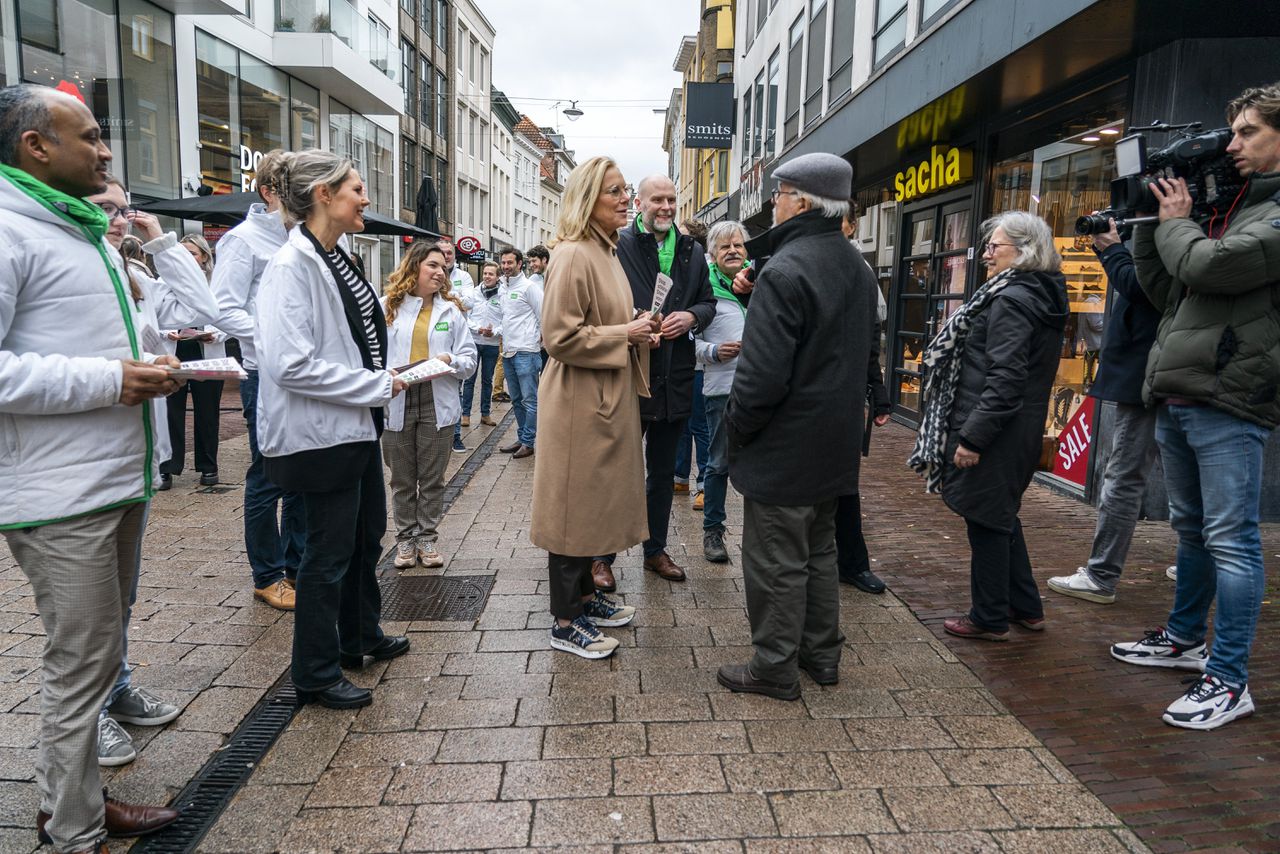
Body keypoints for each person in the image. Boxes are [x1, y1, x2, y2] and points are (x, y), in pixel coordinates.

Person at [0, 82, 180, 854]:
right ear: (36, 146)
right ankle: (68, 830)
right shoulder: (10, 231)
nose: (106, 150)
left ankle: (73, 801)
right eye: (91, 136)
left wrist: (147, 364)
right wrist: (111, 379)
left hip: (114, 479)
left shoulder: (76, 230)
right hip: (60, 494)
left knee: (100, 658)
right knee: (79, 666)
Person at [1111, 83, 1280, 730]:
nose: (1232, 143)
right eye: (1232, 131)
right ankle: (1185, 641)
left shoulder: (1269, 216)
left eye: (1247, 132)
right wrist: (1152, 221)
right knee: (1192, 530)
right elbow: (1165, 288)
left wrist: (1178, 220)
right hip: (1185, 387)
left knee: (1232, 541)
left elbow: (1209, 268)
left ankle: (1230, 679)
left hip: (1231, 394)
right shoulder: (1234, 205)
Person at [255, 149, 410, 709]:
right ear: (325, 195)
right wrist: (373, 386)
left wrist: (381, 377)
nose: (365, 199)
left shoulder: (336, 256)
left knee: (366, 537)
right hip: (320, 435)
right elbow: (288, 363)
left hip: (354, 426)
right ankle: (316, 673)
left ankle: (360, 636)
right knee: (326, 555)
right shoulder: (290, 267)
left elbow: (354, 339)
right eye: (356, 189)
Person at [716, 153, 874, 701]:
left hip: (785, 444)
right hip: (833, 443)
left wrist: (738, 427)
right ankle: (821, 654)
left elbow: (761, 378)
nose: (773, 204)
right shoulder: (853, 263)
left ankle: (774, 666)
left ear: (801, 201)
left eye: (779, 194)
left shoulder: (785, 268)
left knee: (777, 560)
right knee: (820, 550)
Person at [87, 175, 218, 767]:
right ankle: (88, 719)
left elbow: (201, 308)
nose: (118, 219)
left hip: (132, 455)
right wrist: (120, 374)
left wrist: (161, 241)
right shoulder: (57, 262)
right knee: (84, 608)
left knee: (122, 594)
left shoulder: (131, 273)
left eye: (123, 209)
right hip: (79, 458)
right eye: (104, 208)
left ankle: (116, 689)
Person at [909, 211, 1068, 643]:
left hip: (997, 431)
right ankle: (1025, 607)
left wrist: (973, 438)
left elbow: (1005, 378)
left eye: (994, 247)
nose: (985, 257)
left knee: (987, 523)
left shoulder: (1014, 299)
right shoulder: (1037, 292)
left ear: (1024, 250)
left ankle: (989, 616)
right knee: (1000, 517)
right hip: (1016, 428)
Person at [530, 156, 654, 658]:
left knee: (592, 505)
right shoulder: (574, 254)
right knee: (570, 509)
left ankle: (584, 598)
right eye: (615, 192)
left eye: (626, 190)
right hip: (579, 400)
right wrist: (626, 332)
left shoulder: (607, 251)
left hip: (603, 395)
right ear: (588, 200)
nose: (627, 199)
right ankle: (564, 622)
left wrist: (640, 329)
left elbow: (602, 322)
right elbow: (558, 336)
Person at [591, 175, 716, 590]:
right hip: (631, 372)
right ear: (639, 202)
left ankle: (655, 550)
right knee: (616, 470)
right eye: (656, 199)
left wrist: (693, 316)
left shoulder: (692, 250)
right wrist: (633, 323)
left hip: (674, 375)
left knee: (662, 473)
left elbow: (708, 300)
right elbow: (601, 303)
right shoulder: (619, 246)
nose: (665, 206)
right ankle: (601, 556)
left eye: (671, 199)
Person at [1047, 219, 1162, 604]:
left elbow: (1141, 286)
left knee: (1124, 475)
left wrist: (1113, 248)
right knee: (1183, 477)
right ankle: (1199, 558)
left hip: (1149, 369)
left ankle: (1101, 575)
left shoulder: (1170, 231)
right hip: (1168, 367)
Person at [211, 148, 303, 612]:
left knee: (304, 473)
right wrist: (275, 337)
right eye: (296, 192)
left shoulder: (303, 237)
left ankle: (296, 565)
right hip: (264, 374)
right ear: (270, 192)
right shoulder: (242, 241)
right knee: (268, 477)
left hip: (304, 375)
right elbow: (223, 308)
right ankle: (267, 574)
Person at [381, 241, 477, 570]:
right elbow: (371, 356)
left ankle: (427, 538)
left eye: (443, 268)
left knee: (433, 478)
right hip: (398, 397)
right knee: (402, 479)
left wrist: (450, 358)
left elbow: (470, 361)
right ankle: (405, 539)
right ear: (414, 267)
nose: (440, 272)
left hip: (437, 400)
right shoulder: (388, 307)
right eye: (433, 266)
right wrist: (386, 374)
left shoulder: (452, 310)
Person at [836, 203, 892, 595]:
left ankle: (852, 563)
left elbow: (870, 338)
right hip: (806, 397)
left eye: (841, 218)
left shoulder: (861, 271)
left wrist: (879, 390)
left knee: (845, 483)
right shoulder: (796, 260)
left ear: (853, 226)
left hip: (845, 395)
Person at [694, 220, 750, 563]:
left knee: (765, 465)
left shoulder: (764, 285)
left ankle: (765, 534)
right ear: (712, 255)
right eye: (725, 246)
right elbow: (686, 342)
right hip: (722, 390)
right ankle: (713, 532)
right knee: (718, 464)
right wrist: (713, 352)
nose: (733, 250)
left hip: (765, 391)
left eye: (738, 245)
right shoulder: (704, 292)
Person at [159, 233, 228, 489]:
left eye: (192, 253)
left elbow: (229, 318)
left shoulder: (217, 284)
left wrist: (216, 334)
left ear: (203, 258)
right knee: (170, 414)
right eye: (183, 253)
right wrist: (166, 333)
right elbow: (148, 320)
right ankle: (166, 468)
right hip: (173, 355)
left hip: (206, 356)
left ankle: (209, 468)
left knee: (208, 414)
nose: (187, 258)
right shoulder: (162, 283)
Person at [495, 247, 543, 459]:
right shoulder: (502, 288)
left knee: (530, 400)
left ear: (519, 264)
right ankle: (522, 437)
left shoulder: (529, 287)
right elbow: (505, 318)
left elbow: (544, 315)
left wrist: (537, 340)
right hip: (508, 352)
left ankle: (529, 442)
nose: (506, 267)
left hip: (526, 351)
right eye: (503, 263)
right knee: (516, 399)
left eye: (509, 263)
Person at [438, 238, 476, 453]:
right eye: (441, 252)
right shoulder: (431, 272)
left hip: (458, 337)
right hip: (438, 337)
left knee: (456, 386)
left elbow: (469, 303)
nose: (446, 256)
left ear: (454, 255)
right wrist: (456, 298)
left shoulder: (464, 276)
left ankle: (455, 436)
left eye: (449, 253)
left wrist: (448, 296)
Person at [459, 260, 501, 429]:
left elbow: (505, 319)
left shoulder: (502, 295)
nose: (487, 276)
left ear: (497, 277)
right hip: (474, 341)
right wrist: (478, 328)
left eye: (491, 274)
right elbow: (466, 318)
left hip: (491, 344)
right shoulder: (474, 293)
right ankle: (466, 414)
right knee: (469, 380)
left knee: (487, 380)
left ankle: (485, 414)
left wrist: (495, 331)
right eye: (485, 273)